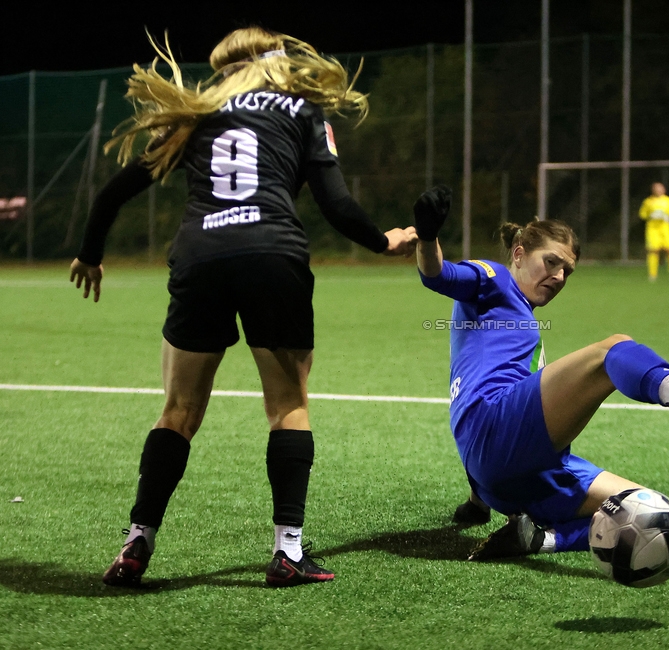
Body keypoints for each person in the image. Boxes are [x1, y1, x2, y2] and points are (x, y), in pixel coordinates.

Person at [69, 27, 417, 588]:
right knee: (288, 408)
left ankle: (136, 543)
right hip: (272, 255)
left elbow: (115, 190)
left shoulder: (198, 113)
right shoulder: (303, 111)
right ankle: (287, 552)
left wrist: (90, 254)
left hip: (200, 255)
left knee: (178, 412)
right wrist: (384, 241)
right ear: (280, 63)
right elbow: (336, 204)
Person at [412, 186, 669, 559]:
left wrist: (477, 504)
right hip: (496, 435)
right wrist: (428, 236)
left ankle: (540, 540)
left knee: (655, 511)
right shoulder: (494, 278)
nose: (559, 276)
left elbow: (476, 394)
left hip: (517, 476)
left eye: (567, 271)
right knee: (611, 349)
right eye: (552, 262)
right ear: (519, 255)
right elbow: (437, 274)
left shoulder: (515, 326)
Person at [639, 182, 669, 281]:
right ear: (653, 190)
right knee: (653, 250)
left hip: (665, 228)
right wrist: (651, 215)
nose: (659, 190)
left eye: (660, 188)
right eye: (656, 188)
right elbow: (642, 214)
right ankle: (652, 274)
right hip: (653, 229)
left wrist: (666, 215)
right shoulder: (648, 201)